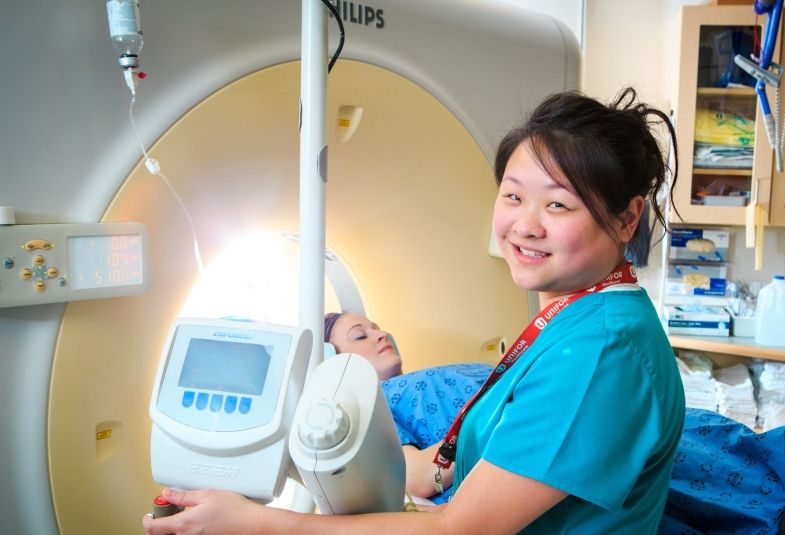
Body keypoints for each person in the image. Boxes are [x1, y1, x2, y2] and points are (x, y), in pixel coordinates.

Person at [143, 87, 685, 534]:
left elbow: (460, 530)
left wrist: (258, 524)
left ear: (626, 219)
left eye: (558, 204)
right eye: (513, 196)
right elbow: (451, 472)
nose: (525, 225)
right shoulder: (579, 318)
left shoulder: (602, 351)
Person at [323, 311, 490, 503]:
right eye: (360, 335)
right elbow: (419, 477)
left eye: (376, 328)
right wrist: (499, 418)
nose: (382, 334)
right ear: (334, 363)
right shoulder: (367, 407)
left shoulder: (410, 384)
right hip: (508, 428)